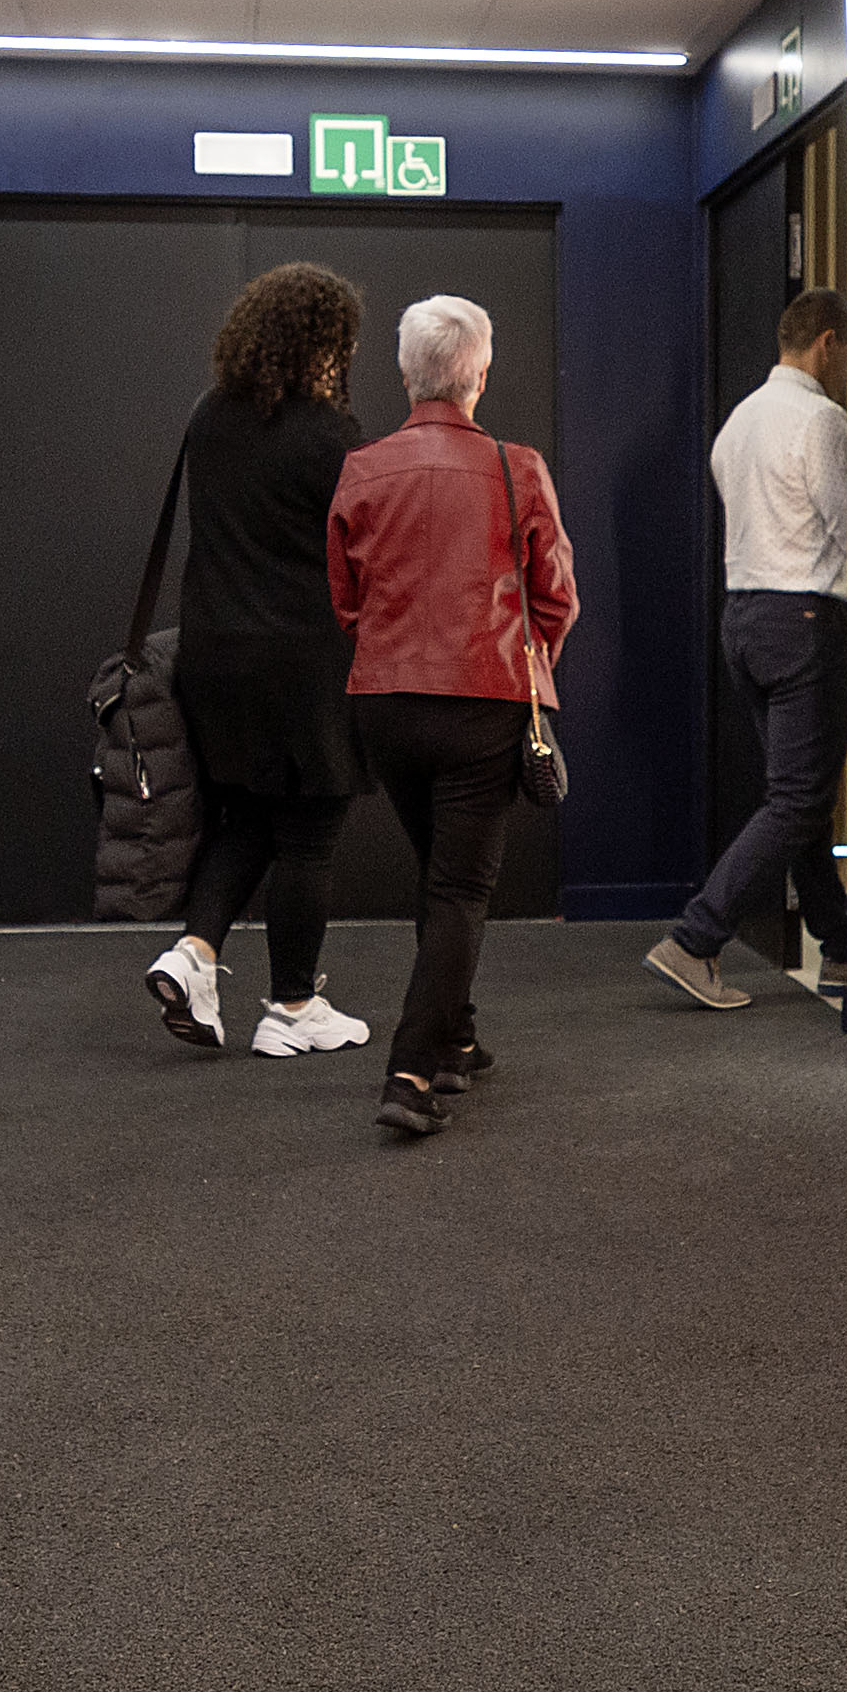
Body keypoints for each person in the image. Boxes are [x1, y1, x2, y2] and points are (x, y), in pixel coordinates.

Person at [324, 293, 579, 1141]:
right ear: (479, 374)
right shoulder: (518, 467)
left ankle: (457, 1035)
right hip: (486, 699)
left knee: (439, 869)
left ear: (405, 374)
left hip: (386, 703)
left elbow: (344, 598)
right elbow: (557, 600)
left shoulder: (363, 469)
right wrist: (526, 656)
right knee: (461, 886)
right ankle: (409, 1067)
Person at [142, 264, 381, 1062]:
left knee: (242, 813)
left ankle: (195, 954)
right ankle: (291, 1005)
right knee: (309, 832)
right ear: (325, 342)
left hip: (212, 653)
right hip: (303, 660)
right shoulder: (331, 438)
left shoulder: (208, 417)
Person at [648, 285, 847, 1009]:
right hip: (804, 622)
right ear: (827, 342)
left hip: (742, 622)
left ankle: (839, 944)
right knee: (800, 798)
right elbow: (844, 525)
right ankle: (696, 937)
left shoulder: (737, 422)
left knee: (791, 796)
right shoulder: (821, 420)